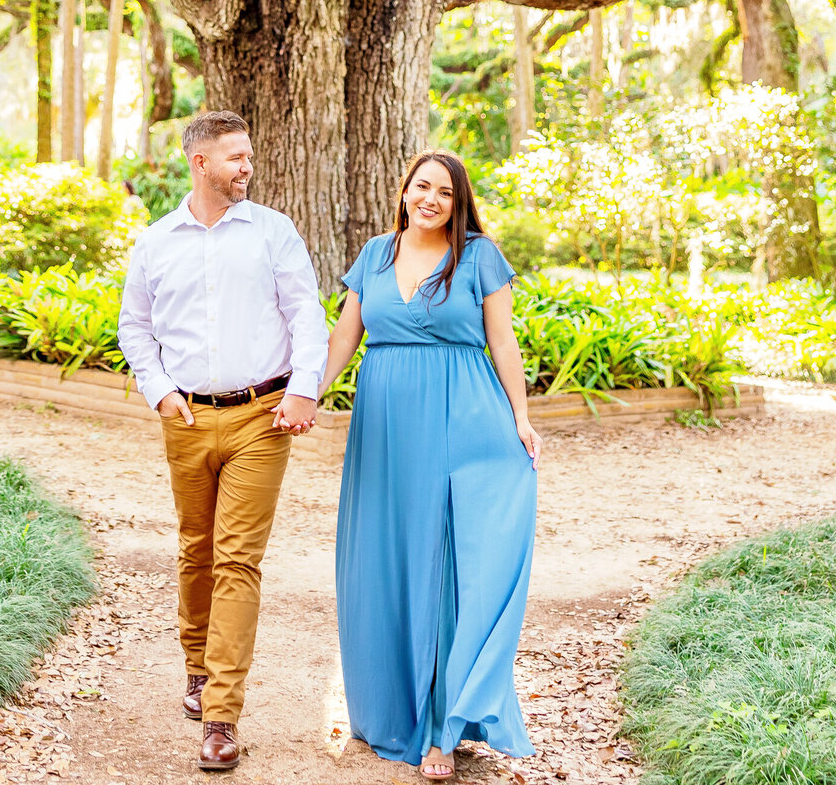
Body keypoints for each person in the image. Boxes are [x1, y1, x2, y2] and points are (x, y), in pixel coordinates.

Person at [118, 110, 328, 772]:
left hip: (262, 417)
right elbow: (135, 329)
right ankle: (195, 666)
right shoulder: (155, 242)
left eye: (249, 155)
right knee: (196, 549)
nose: (248, 167)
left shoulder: (274, 232)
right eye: (235, 157)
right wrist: (159, 391)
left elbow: (306, 313)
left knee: (237, 560)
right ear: (200, 163)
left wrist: (304, 387)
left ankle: (221, 713)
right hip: (184, 419)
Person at [322, 151, 541, 780]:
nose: (432, 200)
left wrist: (520, 419)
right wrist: (308, 393)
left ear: (458, 201)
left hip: (465, 419)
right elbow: (345, 337)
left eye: (445, 192)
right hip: (386, 427)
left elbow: (503, 340)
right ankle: (389, 707)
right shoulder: (374, 255)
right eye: (423, 187)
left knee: (448, 567)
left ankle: (442, 728)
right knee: (389, 559)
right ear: (404, 191)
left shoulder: (479, 256)